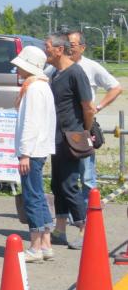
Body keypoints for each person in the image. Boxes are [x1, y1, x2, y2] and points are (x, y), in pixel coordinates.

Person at [44, 32, 94, 249]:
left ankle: (86, 230)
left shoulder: (76, 72)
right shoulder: (55, 72)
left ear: (59, 49)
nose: (44, 50)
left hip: (71, 136)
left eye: (47, 46)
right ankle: (60, 229)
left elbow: (88, 107)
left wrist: (85, 131)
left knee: (69, 184)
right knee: (57, 184)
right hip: (56, 137)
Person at [11, 46, 56, 263]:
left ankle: (35, 246)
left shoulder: (34, 88)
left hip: (32, 150)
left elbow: (30, 122)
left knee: (32, 197)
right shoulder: (42, 86)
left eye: (20, 64)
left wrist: (25, 153)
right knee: (38, 194)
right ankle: (46, 244)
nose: (16, 68)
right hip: (40, 148)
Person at [66, 30, 123, 201]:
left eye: (73, 45)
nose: (69, 48)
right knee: (66, 174)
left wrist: (97, 107)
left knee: (87, 174)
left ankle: (88, 213)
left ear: (82, 48)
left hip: (84, 125)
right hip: (63, 125)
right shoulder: (58, 66)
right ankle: (71, 214)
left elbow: (116, 87)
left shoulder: (91, 66)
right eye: (66, 44)